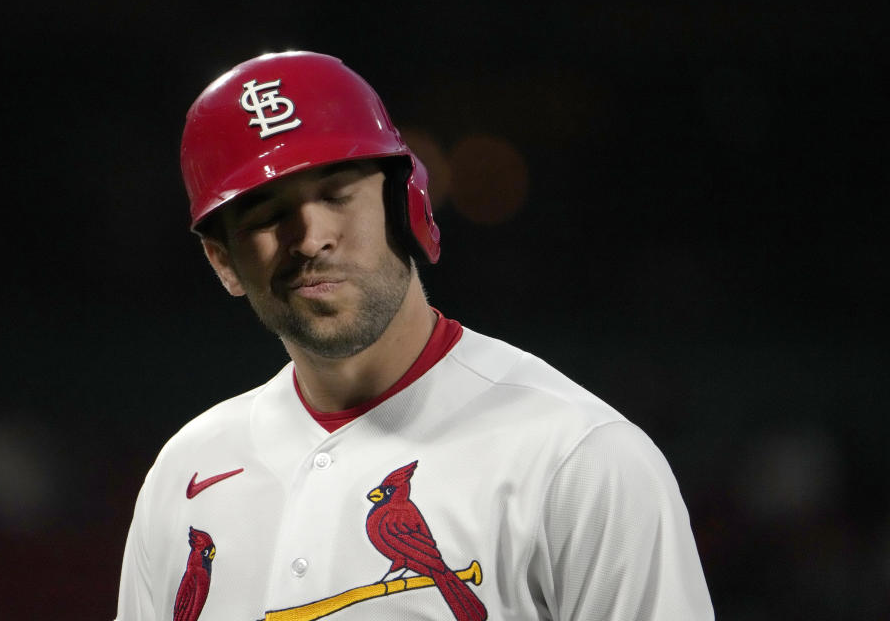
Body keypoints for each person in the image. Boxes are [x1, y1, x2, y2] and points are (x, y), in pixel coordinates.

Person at [115, 51, 713, 621]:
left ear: (405, 203)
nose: (311, 236)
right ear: (223, 261)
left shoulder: (579, 458)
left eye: (336, 193)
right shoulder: (184, 474)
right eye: (267, 214)